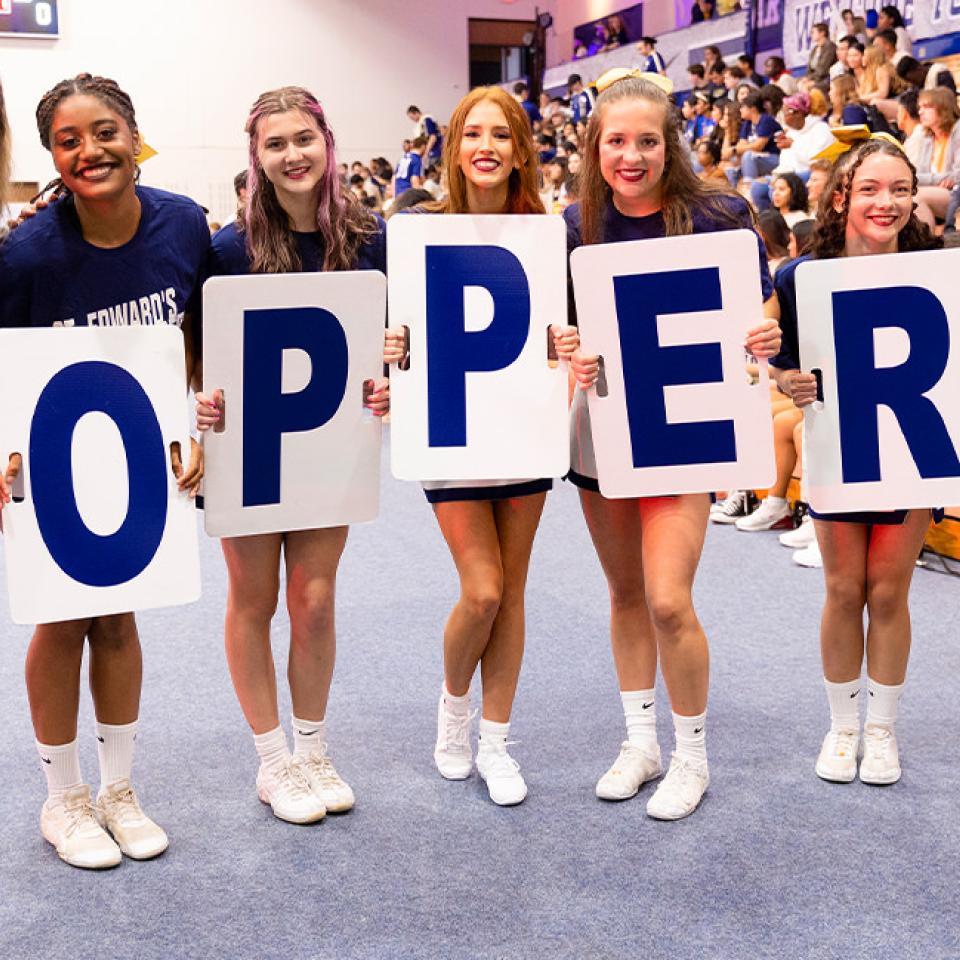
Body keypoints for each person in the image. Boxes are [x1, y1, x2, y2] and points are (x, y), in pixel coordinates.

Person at [0, 73, 207, 869]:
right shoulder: (25, 256)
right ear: (52, 154)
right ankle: (63, 798)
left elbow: (203, 338)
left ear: (134, 134)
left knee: (121, 616)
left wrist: (194, 424)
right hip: (50, 456)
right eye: (69, 140)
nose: (90, 150)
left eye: (105, 132)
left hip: (137, 457)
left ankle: (118, 788)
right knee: (62, 619)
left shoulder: (185, 225)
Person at [565, 73, 781, 820]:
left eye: (646, 141)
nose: (631, 156)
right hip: (604, 431)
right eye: (616, 142)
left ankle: (691, 754)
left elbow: (759, 307)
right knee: (625, 595)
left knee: (668, 599)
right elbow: (561, 334)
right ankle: (640, 741)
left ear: (670, 144)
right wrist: (571, 354)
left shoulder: (719, 212)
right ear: (595, 147)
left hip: (685, 432)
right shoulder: (575, 223)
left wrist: (765, 333)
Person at [195, 86, 402, 825]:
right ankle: (273, 760)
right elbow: (201, 350)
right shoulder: (226, 247)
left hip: (327, 445)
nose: (293, 155)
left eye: (304, 138)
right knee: (253, 601)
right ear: (257, 156)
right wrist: (203, 401)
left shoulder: (369, 236)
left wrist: (387, 386)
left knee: (313, 600)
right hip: (249, 451)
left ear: (328, 141)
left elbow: (392, 342)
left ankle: (313, 749)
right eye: (276, 143)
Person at [395, 86, 577, 808]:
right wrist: (393, 343)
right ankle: (453, 711)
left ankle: (497, 741)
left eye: (501, 135)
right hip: (450, 430)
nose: (487, 148)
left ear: (522, 148)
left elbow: (563, 330)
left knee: (515, 591)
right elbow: (399, 331)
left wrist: (567, 342)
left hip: (524, 426)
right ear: (454, 148)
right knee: (483, 589)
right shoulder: (416, 231)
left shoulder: (548, 234)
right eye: (474, 134)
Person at [770, 138, 940, 786]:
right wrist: (787, 380)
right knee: (843, 590)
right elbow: (778, 360)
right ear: (842, 194)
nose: (886, 202)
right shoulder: (802, 274)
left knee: (891, 591)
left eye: (900, 189)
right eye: (871, 188)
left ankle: (882, 729)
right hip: (840, 447)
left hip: (913, 448)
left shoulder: (938, 267)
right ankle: (843, 727)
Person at [914, 87, 960, 222]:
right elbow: (920, 173)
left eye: (927, 107)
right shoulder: (927, 138)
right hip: (941, 191)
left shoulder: (958, 130)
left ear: (943, 108)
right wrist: (937, 182)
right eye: (920, 107)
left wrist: (928, 180)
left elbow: (957, 175)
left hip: (956, 192)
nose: (920, 112)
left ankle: (927, 242)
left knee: (916, 197)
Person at [736, 90, 782, 183]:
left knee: (748, 156)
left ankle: (749, 187)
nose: (740, 110)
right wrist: (749, 147)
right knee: (732, 171)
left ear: (752, 109)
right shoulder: (747, 123)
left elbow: (758, 146)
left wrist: (746, 148)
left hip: (774, 157)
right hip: (758, 157)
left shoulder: (766, 120)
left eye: (743, 107)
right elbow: (739, 147)